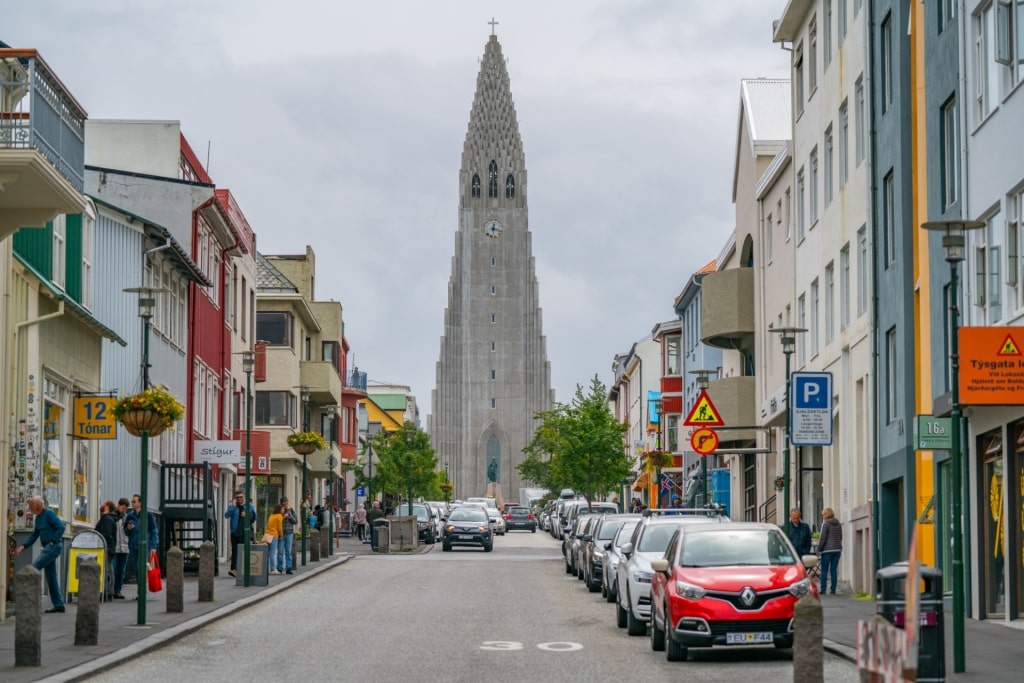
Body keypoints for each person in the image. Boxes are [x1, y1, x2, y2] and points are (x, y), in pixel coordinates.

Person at [15, 496, 66, 613]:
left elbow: (61, 527)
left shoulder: (49, 514)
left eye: (31, 506)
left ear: (37, 506)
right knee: (51, 577)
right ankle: (59, 605)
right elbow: (35, 534)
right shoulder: (38, 518)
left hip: (53, 546)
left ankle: (27, 603)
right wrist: (24, 546)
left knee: (33, 568)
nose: (29, 508)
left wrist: (53, 541)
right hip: (48, 547)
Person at [126, 494, 158, 596]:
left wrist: (153, 545)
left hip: (144, 545)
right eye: (132, 501)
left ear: (140, 503)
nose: (132, 503)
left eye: (134, 501)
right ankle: (140, 591)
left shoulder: (148, 515)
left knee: (141, 568)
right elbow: (126, 531)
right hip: (133, 544)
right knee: (136, 568)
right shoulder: (130, 515)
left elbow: (154, 530)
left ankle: (141, 592)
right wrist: (128, 529)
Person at [224, 490, 256, 577]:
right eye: (237, 497)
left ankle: (244, 569)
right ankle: (234, 569)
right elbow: (226, 515)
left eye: (241, 497)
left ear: (244, 497)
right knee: (234, 551)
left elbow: (254, 518)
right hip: (234, 532)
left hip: (245, 532)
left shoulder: (250, 506)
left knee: (244, 551)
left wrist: (247, 515)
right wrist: (233, 506)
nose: (239, 499)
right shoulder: (232, 505)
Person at [95, 500, 119, 596]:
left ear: (107, 506)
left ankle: (108, 591)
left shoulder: (107, 519)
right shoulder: (107, 518)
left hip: (106, 547)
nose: (102, 505)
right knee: (108, 568)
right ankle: (108, 590)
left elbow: (107, 534)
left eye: (104, 504)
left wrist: (107, 546)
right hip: (108, 547)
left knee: (107, 569)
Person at [817, 507, 843, 595]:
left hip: (827, 550)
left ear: (825, 515)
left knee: (824, 570)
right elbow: (840, 536)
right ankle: (833, 589)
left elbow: (823, 538)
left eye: (823, 514)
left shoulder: (826, 524)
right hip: (837, 549)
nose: (822, 516)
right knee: (833, 570)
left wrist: (819, 549)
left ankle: (823, 589)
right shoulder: (838, 523)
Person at [112, 498, 131, 598]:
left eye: (125, 509)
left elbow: (129, 532)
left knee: (121, 571)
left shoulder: (127, 518)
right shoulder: (113, 517)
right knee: (113, 569)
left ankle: (118, 590)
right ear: (118, 505)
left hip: (125, 547)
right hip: (115, 547)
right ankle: (111, 590)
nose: (124, 510)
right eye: (123, 508)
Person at [265, 504, 284, 575]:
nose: (283, 510)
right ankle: (273, 569)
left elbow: (268, 525)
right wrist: (281, 535)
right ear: (280, 509)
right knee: (272, 553)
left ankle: (265, 569)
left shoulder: (271, 515)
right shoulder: (279, 516)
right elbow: (279, 527)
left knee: (267, 553)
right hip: (274, 535)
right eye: (282, 509)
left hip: (268, 534)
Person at [280, 497, 297, 574]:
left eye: (286, 503)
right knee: (280, 551)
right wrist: (283, 516)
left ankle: (288, 568)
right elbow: (276, 520)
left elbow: (295, 521)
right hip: (281, 533)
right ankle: (279, 568)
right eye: (284, 503)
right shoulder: (279, 510)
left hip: (289, 532)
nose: (286, 505)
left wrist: (290, 517)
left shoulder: (291, 510)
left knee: (288, 551)